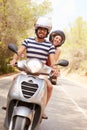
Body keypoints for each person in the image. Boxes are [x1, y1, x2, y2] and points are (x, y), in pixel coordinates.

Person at [10, 17, 59, 119]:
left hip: (41, 72)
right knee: (15, 78)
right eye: (40, 29)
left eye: (44, 30)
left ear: (47, 32)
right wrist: (14, 59)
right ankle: (11, 101)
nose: (42, 31)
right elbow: (19, 52)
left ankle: (43, 109)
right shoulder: (28, 40)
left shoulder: (49, 45)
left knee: (49, 87)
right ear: (36, 30)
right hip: (27, 70)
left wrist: (55, 69)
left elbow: (53, 60)